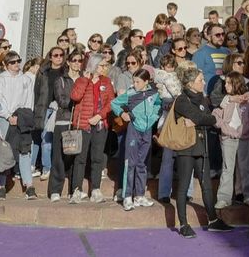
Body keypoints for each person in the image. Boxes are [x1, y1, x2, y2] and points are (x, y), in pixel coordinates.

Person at [171, 65, 232, 237]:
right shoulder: (182, 100)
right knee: (183, 186)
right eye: (200, 80)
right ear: (190, 83)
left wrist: (201, 120)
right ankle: (183, 224)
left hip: (201, 145)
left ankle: (213, 220)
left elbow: (209, 118)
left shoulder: (203, 99)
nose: (204, 82)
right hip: (185, 147)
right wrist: (204, 120)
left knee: (206, 185)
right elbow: (204, 117)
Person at [111, 69, 162, 210]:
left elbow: (158, 105)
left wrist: (153, 119)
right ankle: (127, 197)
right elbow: (114, 103)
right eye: (133, 81)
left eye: (137, 82)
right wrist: (122, 113)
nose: (134, 84)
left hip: (147, 131)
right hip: (133, 130)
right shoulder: (130, 93)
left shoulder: (154, 93)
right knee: (130, 163)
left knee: (142, 164)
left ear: (146, 82)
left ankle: (139, 195)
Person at [0, 51, 37, 199]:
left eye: (18, 61)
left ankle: (29, 186)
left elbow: (29, 101)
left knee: (24, 150)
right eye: (12, 62)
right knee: (5, 151)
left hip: (21, 117)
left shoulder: (26, 80)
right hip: (5, 119)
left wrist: (23, 117)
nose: (16, 64)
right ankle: (2, 185)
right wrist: (8, 116)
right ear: (5, 64)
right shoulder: (1, 79)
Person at [69, 55, 114, 204]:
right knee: (80, 158)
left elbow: (111, 102)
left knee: (97, 158)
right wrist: (84, 80)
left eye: (105, 65)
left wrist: (100, 116)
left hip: (100, 124)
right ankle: (76, 190)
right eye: (101, 65)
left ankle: (95, 189)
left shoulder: (106, 82)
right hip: (83, 124)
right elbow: (75, 96)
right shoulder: (83, 80)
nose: (104, 68)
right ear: (94, 66)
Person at [212, 72, 249, 209]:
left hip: (243, 139)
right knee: (227, 168)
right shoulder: (226, 100)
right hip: (228, 139)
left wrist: (247, 124)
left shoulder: (248, 101)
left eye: (228, 83)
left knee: (246, 168)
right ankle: (224, 198)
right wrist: (223, 127)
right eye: (225, 82)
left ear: (236, 84)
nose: (225, 85)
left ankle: (248, 196)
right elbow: (215, 115)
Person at [45, 51, 81, 201]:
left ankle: (74, 190)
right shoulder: (61, 80)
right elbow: (62, 100)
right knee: (58, 156)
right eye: (74, 60)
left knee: (75, 156)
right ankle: (55, 190)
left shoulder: (84, 79)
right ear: (68, 62)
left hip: (78, 121)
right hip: (63, 120)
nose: (77, 63)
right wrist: (77, 98)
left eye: (80, 60)